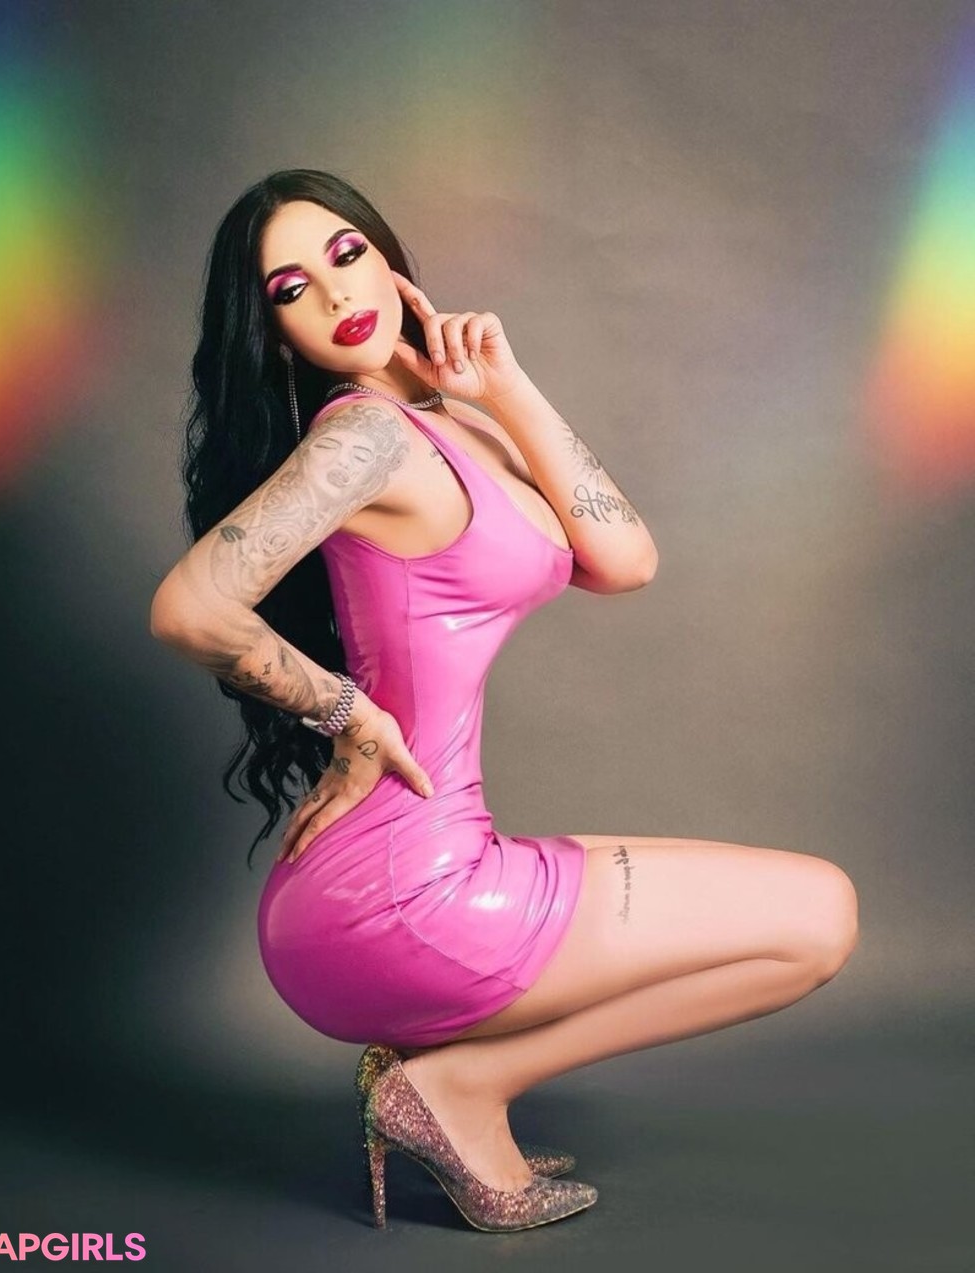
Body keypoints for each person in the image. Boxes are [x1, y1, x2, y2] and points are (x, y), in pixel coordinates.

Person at [149, 168, 860, 1233]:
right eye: (290, 289)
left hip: (417, 865)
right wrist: (351, 717)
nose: (335, 293)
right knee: (819, 921)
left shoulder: (439, 420)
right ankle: (459, 1087)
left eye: (347, 253)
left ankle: (454, 1085)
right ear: (274, 332)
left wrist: (505, 386)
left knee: (811, 918)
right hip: (400, 893)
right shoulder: (363, 438)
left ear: (388, 258)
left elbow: (624, 559)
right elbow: (189, 606)